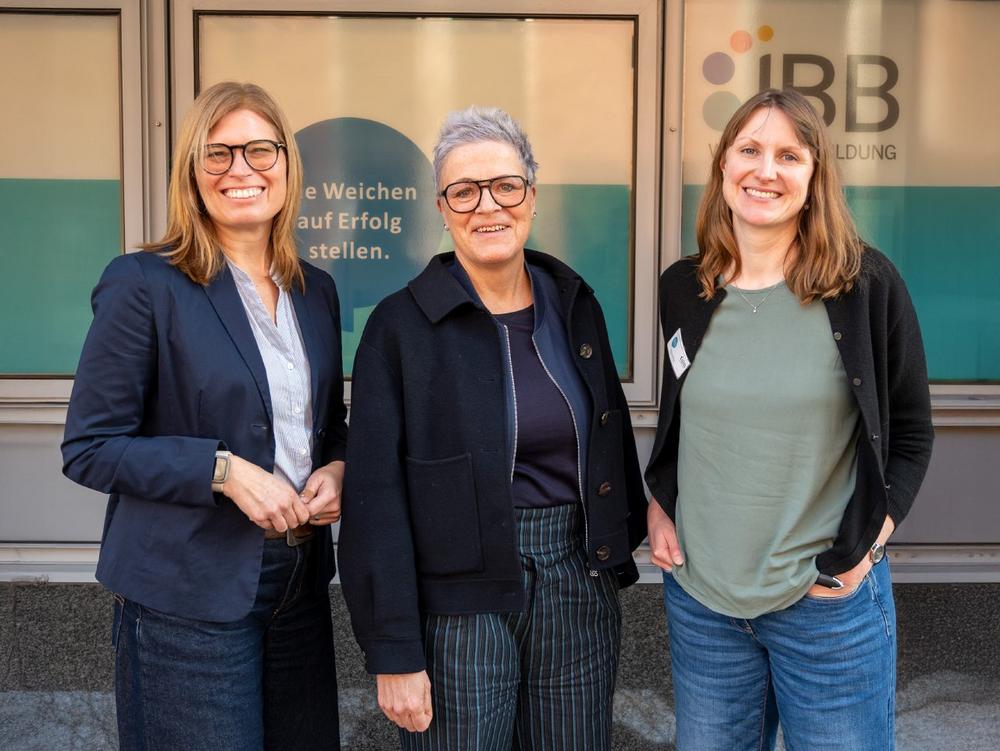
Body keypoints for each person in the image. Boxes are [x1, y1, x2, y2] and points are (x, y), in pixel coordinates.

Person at [338, 105, 647, 750]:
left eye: (506, 186)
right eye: (464, 191)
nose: (488, 206)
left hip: (575, 580)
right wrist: (394, 650)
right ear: (442, 209)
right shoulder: (400, 328)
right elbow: (374, 500)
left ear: (531, 196)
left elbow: (610, 436)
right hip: (455, 602)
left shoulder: (574, 304)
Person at [645, 88, 934, 750]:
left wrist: (868, 544)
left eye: (789, 155)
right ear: (724, 165)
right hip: (704, 604)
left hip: (825, 606)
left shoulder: (865, 286)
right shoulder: (685, 288)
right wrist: (660, 501)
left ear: (814, 175)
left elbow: (912, 433)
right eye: (749, 150)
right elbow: (683, 419)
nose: (765, 171)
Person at [61, 81, 347, 750]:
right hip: (185, 592)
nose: (241, 169)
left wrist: (339, 467)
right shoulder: (144, 282)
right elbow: (91, 447)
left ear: (287, 164)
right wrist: (223, 471)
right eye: (217, 153)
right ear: (192, 172)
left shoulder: (315, 291)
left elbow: (327, 425)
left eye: (259, 150)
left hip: (299, 583)